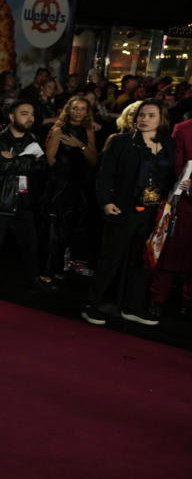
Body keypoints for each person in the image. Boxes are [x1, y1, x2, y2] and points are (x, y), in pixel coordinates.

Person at [83, 99, 177, 326]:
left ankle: (132, 307)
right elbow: (104, 174)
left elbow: (168, 177)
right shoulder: (122, 142)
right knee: (110, 259)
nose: (144, 119)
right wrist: (106, 202)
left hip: (151, 212)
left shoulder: (169, 144)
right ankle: (92, 306)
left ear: (161, 119)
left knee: (141, 262)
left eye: (150, 115)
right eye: (142, 115)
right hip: (122, 208)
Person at [0, 100, 51, 296]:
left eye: (32, 114)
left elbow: (42, 165)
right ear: (12, 117)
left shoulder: (32, 138)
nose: (30, 118)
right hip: (1, 199)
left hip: (24, 200)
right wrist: (28, 159)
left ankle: (33, 279)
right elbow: (1, 167)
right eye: (24, 113)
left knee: (31, 242)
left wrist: (15, 160)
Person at [43, 96, 99, 279]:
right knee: (58, 227)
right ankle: (52, 268)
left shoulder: (88, 130)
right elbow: (50, 158)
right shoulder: (58, 129)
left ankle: (69, 263)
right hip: (62, 183)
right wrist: (59, 177)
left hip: (81, 183)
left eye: (83, 109)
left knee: (76, 226)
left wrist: (79, 145)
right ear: (69, 110)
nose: (79, 112)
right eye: (75, 108)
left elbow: (94, 160)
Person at [149, 117, 192, 319]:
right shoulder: (183, 129)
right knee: (170, 253)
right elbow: (175, 167)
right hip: (183, 202)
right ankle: (158, 299)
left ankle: (188, 301)